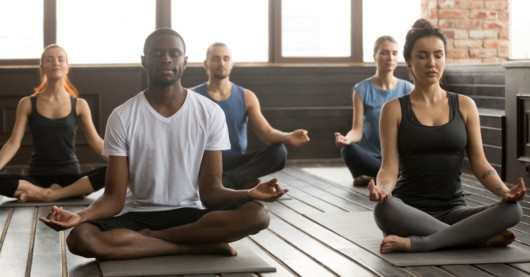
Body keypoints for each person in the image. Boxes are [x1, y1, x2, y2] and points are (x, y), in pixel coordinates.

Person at [39, 28, 288, 261]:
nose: (166, 59)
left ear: (185, 62)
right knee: (81, 239)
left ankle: (151, 240)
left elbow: (211, 191)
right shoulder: (122, 116)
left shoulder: (209, 113)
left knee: (257, 215)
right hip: (138, 214)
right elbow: (114, 198)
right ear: (144, 61)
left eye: (174, 53)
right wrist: (80, 216)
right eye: (157, 54)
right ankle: (198, 246)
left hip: (191, 213)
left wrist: (249, 193)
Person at [368, 19, 525, 253]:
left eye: (438, 55)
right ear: (409, 61)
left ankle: (425, 241)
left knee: (513, 210)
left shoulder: (464, 105)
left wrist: (505, 192)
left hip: (455, 211)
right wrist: (384, 189)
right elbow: (389, 167)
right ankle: (475, 239)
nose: (431, 63)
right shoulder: (394, 109)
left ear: (445, 59)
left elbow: (480, 163)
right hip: (409, 212)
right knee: (384, 210)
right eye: (422, 56)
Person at [191, 42, 310, 189]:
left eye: (226, 58)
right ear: (206, 64)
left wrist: (288, 136)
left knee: (279, 152)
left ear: (232, 63)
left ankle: (228, 182)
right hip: (206, 163)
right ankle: (241, 181)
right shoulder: (193, 96)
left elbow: (267, 133)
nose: (221, 63)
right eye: (216, 58)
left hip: (236, 162)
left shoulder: (247, 96)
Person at [0, 44, 107, 202]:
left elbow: (96, 141)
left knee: (114, 171)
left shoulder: (79, 104)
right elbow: (13, 143)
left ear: (67, 67)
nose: (55, 63)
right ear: (42, 67)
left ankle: (50, 195)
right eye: (49, 59)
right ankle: (63, 193)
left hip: (71, 177)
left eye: (60, 59)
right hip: (37, 177)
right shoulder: (27, 103)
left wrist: (123, 163)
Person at [334, 36, 413, 187]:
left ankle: (375, 178)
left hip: (397, 159)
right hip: (370, 157)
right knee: (347, 151)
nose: (390, 57)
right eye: (384, 53)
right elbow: (357, 130)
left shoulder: (408, 89)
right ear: (375, 56)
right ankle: (391, 178)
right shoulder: (361, 89)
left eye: (394, 53)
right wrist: (346, 140)